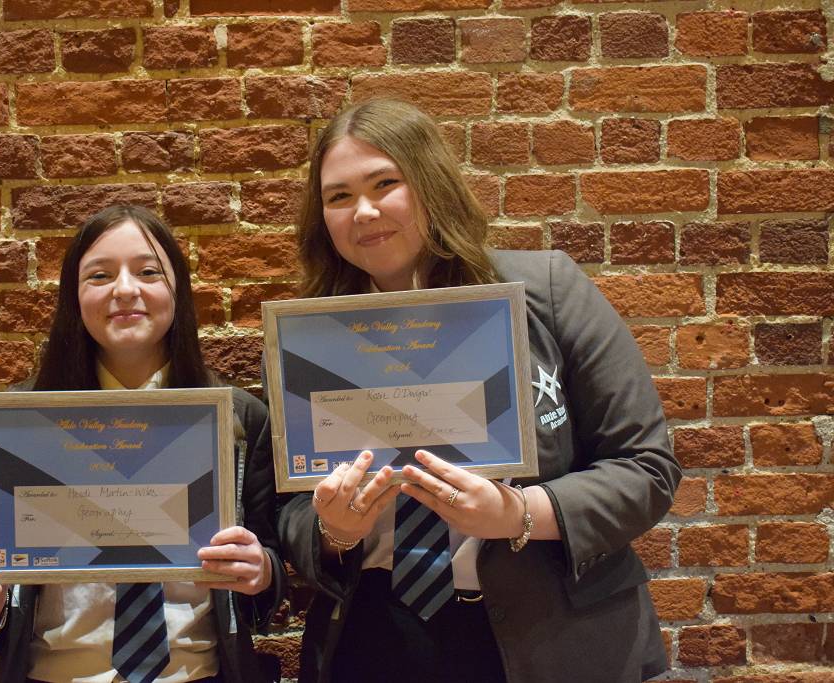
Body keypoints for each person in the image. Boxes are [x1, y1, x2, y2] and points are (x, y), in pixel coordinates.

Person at [277, 99, 682, 682]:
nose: (363, 211)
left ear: (430, 183)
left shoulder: (546, 289)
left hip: (552, 635)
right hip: (373, 636)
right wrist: (335, 530)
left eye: (385, 184)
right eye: (338, 196)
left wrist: (518, 513)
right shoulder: (308, 337)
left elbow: (645, 468)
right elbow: (290, 507)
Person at [0, 204, 283, 683]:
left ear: (178, 290)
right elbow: (1, 617)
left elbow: (268, 583)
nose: (125, 290)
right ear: (74, 297)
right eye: (99, 276)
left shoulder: (239, 419)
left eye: (148, 272)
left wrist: (261, 571)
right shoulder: (22, 425)